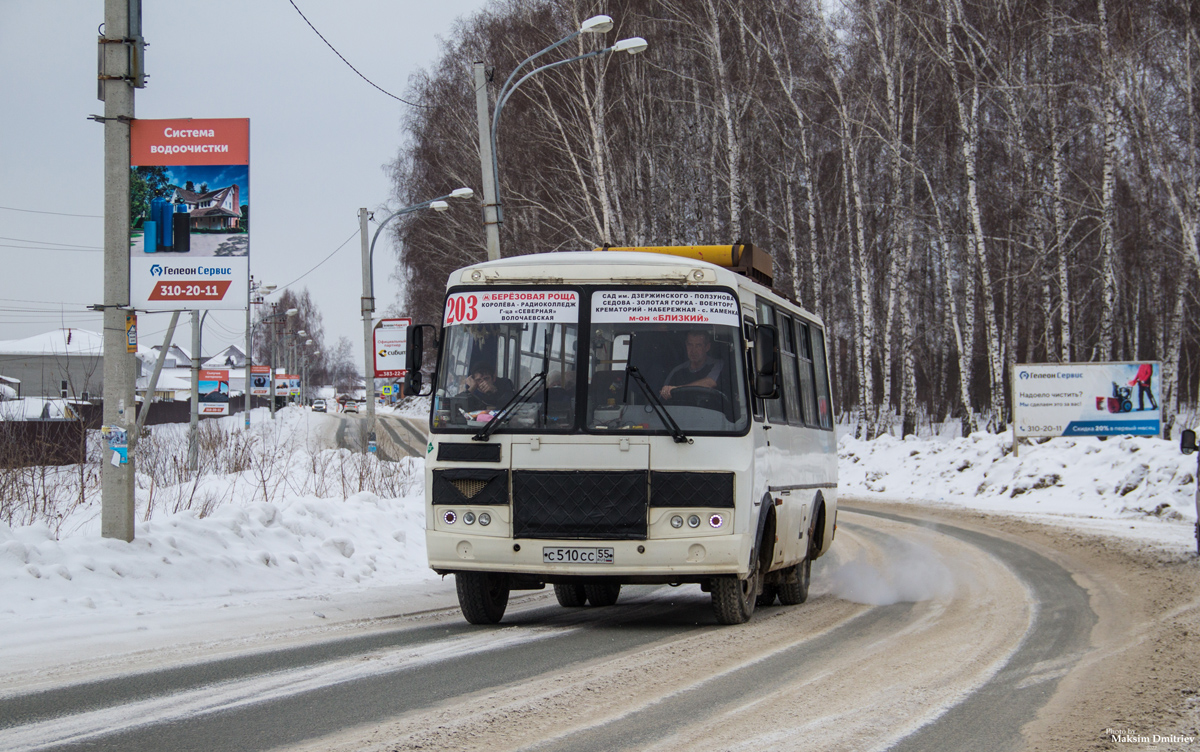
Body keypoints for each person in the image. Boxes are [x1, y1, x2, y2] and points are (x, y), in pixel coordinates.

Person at [660, 330, 723, 400]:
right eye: (690, 345)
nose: (693, 351)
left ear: (707, 347)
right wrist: (666, 391)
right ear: (686, 345)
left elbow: (710, 383)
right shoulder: (676, 372)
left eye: (698, 345)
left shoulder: (717, 365)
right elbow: (663, 396)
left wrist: (677, 389)